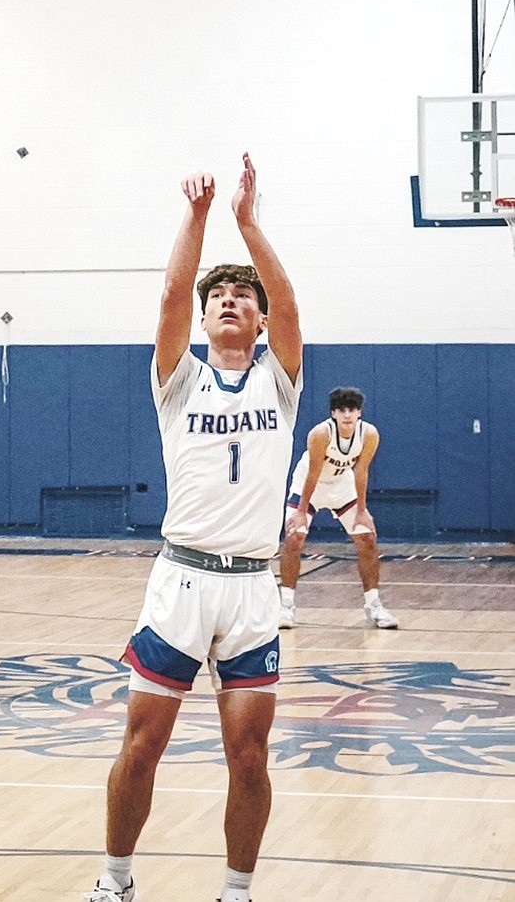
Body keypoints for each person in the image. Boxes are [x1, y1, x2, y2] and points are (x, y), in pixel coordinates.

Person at [86, 152, 302, 902]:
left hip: (250, 591)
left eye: (245, 295)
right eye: (223, 297)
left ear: (260, 317)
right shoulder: (179, 380)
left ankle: (236, 891)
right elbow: (176, 290)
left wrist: (249, 223)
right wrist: (200, 215)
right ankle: (115, 882)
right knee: (142, 746)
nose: (232, 301)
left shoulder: (280, 379)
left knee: (249, 758)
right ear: (206, 318)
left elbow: (290, 304)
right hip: (181, 580)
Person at [277, 387, 398, 630]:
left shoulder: (369, 434)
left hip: (341, 484)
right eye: (341, 410)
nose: (347, 415)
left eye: (351, 410)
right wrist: (301, 512)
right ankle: (286, 606)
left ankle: (374, 605)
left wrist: (362, 511)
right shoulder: (321, 434)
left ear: (359, 413)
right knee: (294, 539)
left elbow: (361, 471)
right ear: (333, 413)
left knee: (367, 540)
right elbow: (313, 473)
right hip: (309, 484)